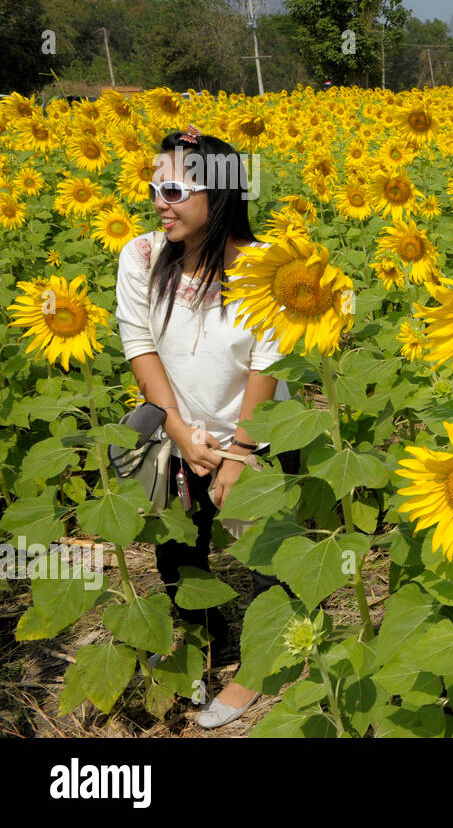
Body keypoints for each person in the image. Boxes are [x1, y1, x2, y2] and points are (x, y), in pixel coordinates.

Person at [114, 124, 297, 730]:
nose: (157, 202)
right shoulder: (140, 256)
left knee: (269, 559)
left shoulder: (266, 268)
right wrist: (181, 432)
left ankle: (261, 667)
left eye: (171, 190)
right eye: (153, 187)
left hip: (254, 429)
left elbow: (266, 362)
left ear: (217, 196)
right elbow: (140, 345)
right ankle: (203, 635)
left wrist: (241, 453)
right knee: (177, 553)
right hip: (174, 427)